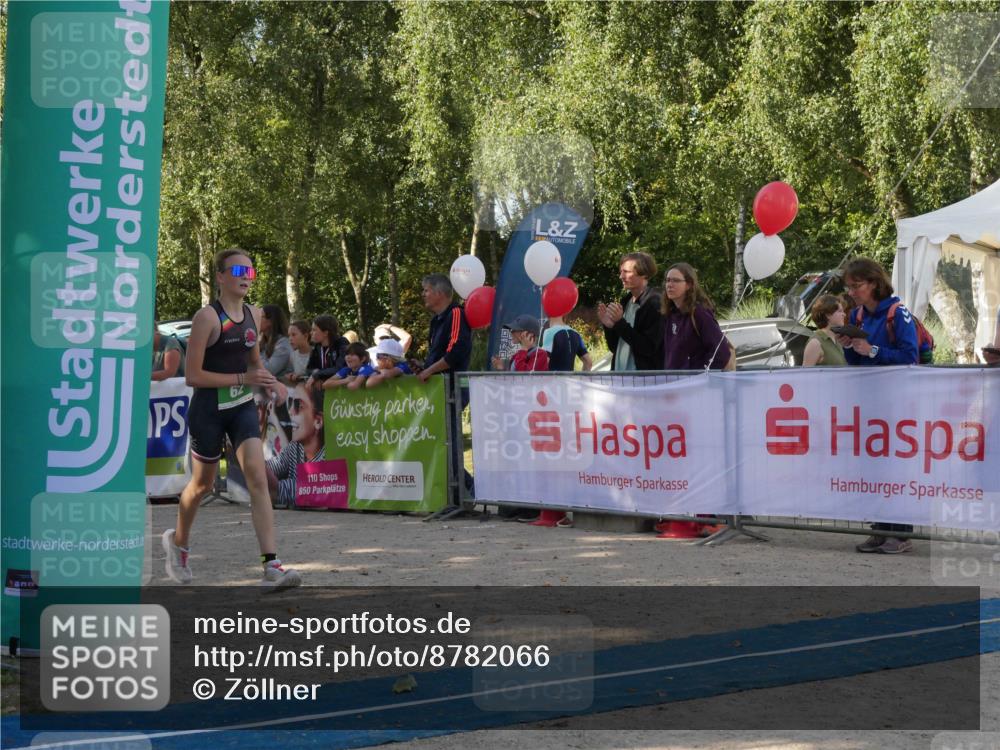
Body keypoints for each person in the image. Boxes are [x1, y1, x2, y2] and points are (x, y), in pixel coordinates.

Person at [162, 248, 301, 588]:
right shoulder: (207, 318)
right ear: (220, 277)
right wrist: (244, 378)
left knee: (258, 477)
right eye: (238, 271)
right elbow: (193, 376)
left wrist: (271, 383)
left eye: (250, 272)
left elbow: (254, 363)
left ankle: (271, 566)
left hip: (241, 407)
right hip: (208, 410)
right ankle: (178, 543)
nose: (245, 277)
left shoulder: (254, 313)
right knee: (202, 485)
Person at [835, 258, 918, 555]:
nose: (851, 292)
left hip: (897, 403)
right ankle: (880, 529)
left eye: (856, 286)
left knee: (896, 467)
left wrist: (873, 351)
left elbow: (910, 356)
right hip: (871, 402)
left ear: (874, 283)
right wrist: (849, 346)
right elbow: (856, 361)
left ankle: (901, 533)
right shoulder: (858, 316)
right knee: (874, 468)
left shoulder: (898, 313)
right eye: (849, 287)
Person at [417, 273, 474, 505]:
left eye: (426, 290)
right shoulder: (436, 320)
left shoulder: (456, 313)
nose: (423, 295)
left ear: (440, 293)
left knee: (449, 442)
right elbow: (436, 355)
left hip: (452, 388)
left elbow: (455, 353)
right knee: (441, 442)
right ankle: (459, 493)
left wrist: (429, 371)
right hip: (437, 389)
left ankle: (468, 492)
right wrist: (421, 367)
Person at [598, 252, 663, 371]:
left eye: (627, 272)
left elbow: (649, 348)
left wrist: (620, 323)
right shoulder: (625, 302)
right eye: (621, 272)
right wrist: (610, 327)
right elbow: (615, 348)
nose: (621, 276)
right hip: (620, 376)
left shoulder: (655, 303)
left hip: (643, 379)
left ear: (644, 274)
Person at [661, 262, 731, 371]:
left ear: (689, 285)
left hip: (694, 381)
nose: (669, 284)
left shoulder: (699, 313)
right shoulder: (671, 313)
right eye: (668, 280)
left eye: (676, 280)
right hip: (673, 380)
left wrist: (700, 374)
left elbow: (721, 352)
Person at [265, 383, 325, 510]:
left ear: (318, 421)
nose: (290, 411)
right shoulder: (295, 447)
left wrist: (254, 466)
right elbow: (276, 465)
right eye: (290, 403)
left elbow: (306, 490)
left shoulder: (328, 456)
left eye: (298, 406)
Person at [802, 294, 848, 367]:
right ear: (828, 315)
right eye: (840, 311)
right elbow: (805, 373)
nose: (844, 314)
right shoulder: (815, 343)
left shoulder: (836, 340)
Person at [306, 314, 350, 388]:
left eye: (314, 330)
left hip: (342, 388)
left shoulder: (341, 343)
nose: (311, 333)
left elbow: (340, 368)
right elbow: (309, 369)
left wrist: (317, 375)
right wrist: (317, 375)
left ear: (325, 333)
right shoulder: (318, 346)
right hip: (325, 387)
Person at [259, 304, 293, 380]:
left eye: (259, 316)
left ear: (270, 321)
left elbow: (269, 371)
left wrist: (253, 351)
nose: (255, 320)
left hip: (285, 386)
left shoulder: (284, 344)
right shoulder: (263, 342)